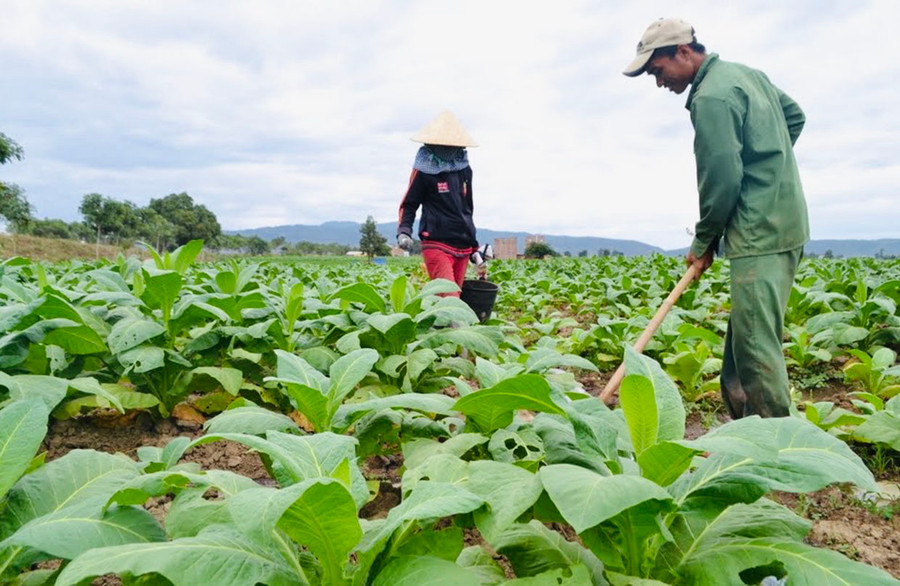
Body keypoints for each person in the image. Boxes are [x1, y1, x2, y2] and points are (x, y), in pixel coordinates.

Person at [623, 18, 809, 418]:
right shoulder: (746, 75)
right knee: (748, 335)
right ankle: (746, 427)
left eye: (658, 71)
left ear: (684, 52)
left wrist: (703, 240)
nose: (659, 83)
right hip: (785, 222)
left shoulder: (711, 97)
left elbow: (721, 179)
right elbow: (794, 117)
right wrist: (767, 167)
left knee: (756, 346)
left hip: (761, 230)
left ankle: (777, 445)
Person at [396, 110, 488, 296]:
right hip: (437, 243)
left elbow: (466, 209)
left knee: (454, 302)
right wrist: (404, 231)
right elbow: (410, 203)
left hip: (462, 245)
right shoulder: (424, 171)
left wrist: (474, 247)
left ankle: (439, 325)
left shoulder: (464, 169)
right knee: (450, 300)